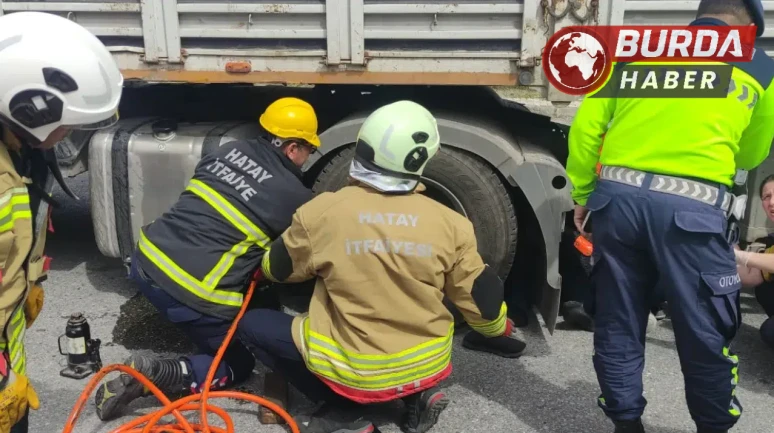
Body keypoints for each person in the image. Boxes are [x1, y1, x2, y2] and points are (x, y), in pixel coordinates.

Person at [237, 100, 526, 433]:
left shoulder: (324, 211)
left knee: (253, 325)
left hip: (357, 368)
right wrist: (498, 331)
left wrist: (264, 266)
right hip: (425, 362)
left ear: (362, 146)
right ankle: (417, 396)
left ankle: (345, 413)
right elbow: (480, 299)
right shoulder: (452, 223)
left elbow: (278, 269)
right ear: (422, 159)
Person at [565, 0, 774, 431]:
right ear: (750, 28)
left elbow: (586, 130)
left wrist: (583, 193)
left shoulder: (636, 49)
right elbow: (752, 152)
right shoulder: (760, 67)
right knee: (704, 330)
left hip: (617, 204)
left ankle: (626, 422)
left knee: (619, 319)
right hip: (693, 212)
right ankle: (712, 424)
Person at [94, 97, 319, 420]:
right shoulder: (295, 197)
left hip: (146, 262)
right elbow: (289, 262)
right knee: (238, 363)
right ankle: (152, 374)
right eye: (309, 149)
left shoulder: (228, 151)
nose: (308, 157)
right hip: (190, 291)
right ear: (292, 147)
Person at [0, 11, 124, 433]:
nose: (70, 130)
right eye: (67, 120)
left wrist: (24, 284)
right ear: (32, 110)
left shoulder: (21, 154)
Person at [732, 174, 774, 348]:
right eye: (767, 197)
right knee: (765, 289)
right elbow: (750, 277)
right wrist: (728, 241)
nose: (772, 202)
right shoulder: (771, 241)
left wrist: (742, 256)